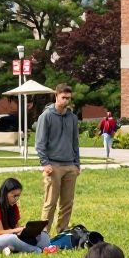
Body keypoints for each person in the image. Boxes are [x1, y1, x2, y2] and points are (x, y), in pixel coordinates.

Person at [35, 84, 81, 234]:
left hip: (70, 166)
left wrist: (77, 164)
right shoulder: (46, 116)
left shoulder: (72, 117)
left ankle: (62, 231)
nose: (66, 101)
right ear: (56, 96)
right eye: (63, 98)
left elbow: (75, 142)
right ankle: (43, 234)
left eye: (68, 98)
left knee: (67, 203)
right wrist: (45, 163)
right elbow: (40, 142)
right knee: (50, 202)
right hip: (53, 165)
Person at [0, 177, 53, 254]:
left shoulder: (13, 207)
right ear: (5, 193)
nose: (16, 199)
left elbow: (16, 228)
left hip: (7, 238)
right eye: (14, 196)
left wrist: (27, 231)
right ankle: (37, 250)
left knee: (42, 233)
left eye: (18, 196)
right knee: (12, 238)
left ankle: (46, 247)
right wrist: (18, 230)